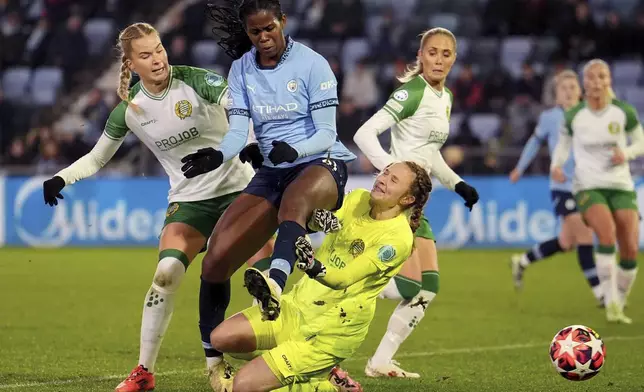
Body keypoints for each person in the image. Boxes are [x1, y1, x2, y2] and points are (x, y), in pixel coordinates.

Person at [40, 22, 272, 392]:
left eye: (159, 49)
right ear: (131, 64)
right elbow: (97, 158)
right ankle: (144, 372)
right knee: (166, 273)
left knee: (266, 277)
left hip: (239, 191)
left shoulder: (195, 80)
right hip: (189, 200)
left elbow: (240, 107)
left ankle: (300, 355)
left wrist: (250, 141)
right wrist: (61, 178)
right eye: (146, 55)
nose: (158, 59)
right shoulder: (130, 110)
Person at [181, 0, 355, 329]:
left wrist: (295, 150)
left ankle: (274, 284)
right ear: (247, 32)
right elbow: (236, 132)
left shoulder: (312, 64)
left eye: (269, 28)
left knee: (294, 202)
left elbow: (327, 133)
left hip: (321, 162)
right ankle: (213, 360)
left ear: (283, 21)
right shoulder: (241, 69)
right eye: (255, 31)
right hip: (272, 172)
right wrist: (218, 155)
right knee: (215, 259)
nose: (263, 36)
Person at [209, 161, 432, 392]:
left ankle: (325, 387)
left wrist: (311, 264)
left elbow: (343, 278)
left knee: (242, 386)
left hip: (330, 331)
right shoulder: (357, 198)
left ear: (407, 199)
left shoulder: (397, 239)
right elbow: (326, 223)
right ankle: (318, 372)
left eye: (393, 180)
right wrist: (317, 221)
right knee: (222, 338)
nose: (383, 179)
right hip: (297, 306)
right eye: (385, 172)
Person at [352, 27, 479, 378]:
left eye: (446, 54)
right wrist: (392, 172)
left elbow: (430, 153)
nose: (439, 59)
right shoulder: (412, 93)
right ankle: (342, 286)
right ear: (420, 56)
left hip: (416, 201)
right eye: (432, 52)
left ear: (454, 59)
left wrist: (457, 184)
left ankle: (379, 361)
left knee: (429, 288)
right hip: (401, 202)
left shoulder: (445, 97)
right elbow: (363, 133)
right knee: (409, 286)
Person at [551, 59, 643, 324]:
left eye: (601, 77)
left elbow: (641, 142)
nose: (596, 82)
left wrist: (625, 153)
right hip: (587, 185)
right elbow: (563, 146)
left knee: (629, 249)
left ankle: (620, 301)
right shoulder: (574, 115)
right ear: (584, 83)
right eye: (591, 78)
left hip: (621, 185)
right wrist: (556, 165)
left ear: (609, 81)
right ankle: (611, 302)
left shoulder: (623, 112)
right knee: (606, 233)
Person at [509, 70, 602, 304]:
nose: (569, 92)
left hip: (586, 186)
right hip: (561, 187)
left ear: (580, 92)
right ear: (557, 96)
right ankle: (603, 295)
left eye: (573, 88)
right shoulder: (550, 117)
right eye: (564, 89)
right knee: (584, 235)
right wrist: (520, 168)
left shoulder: (589, 116)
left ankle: (522, 261)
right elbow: (534, 142)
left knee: (566, 243)